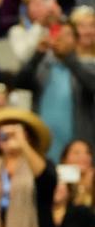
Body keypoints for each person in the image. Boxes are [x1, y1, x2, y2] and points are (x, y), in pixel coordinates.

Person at [12, 21, 95, 162]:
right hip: (43, 145)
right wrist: (37, 54)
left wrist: (68, 57)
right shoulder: (43, 68)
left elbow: (91, 85)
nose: (61, 38)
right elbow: (19, 83)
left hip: (76, 149)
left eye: (67, 34)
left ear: (76, 40)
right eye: (58, 34)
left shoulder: (88, 66)